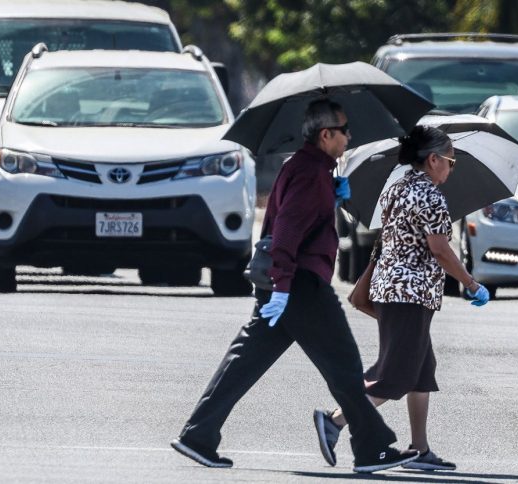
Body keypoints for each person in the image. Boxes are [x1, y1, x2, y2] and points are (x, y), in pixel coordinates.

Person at [171, 99, 419, 473]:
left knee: (244, 363)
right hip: (300, 285)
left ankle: (198, 435)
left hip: (287, 282)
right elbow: (286, 232)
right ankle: (372, 449)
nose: (349, 136)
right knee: (345, 366)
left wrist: (331, 199)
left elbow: (298, 223)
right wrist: (283, 286)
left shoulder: (310, 168)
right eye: (344, 130)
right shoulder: (309, 173)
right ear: (325, 135)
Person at [313, 125, 490, 471]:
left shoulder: (399, 187)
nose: (453, 169)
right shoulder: (432, 197)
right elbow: (440, 250)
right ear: (434, 159)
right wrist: (470, 283)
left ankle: (419, 450)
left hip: (392, 289)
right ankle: (334, 421)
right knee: (395, 375)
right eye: (451, 162)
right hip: (410, 293)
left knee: (421, 371)